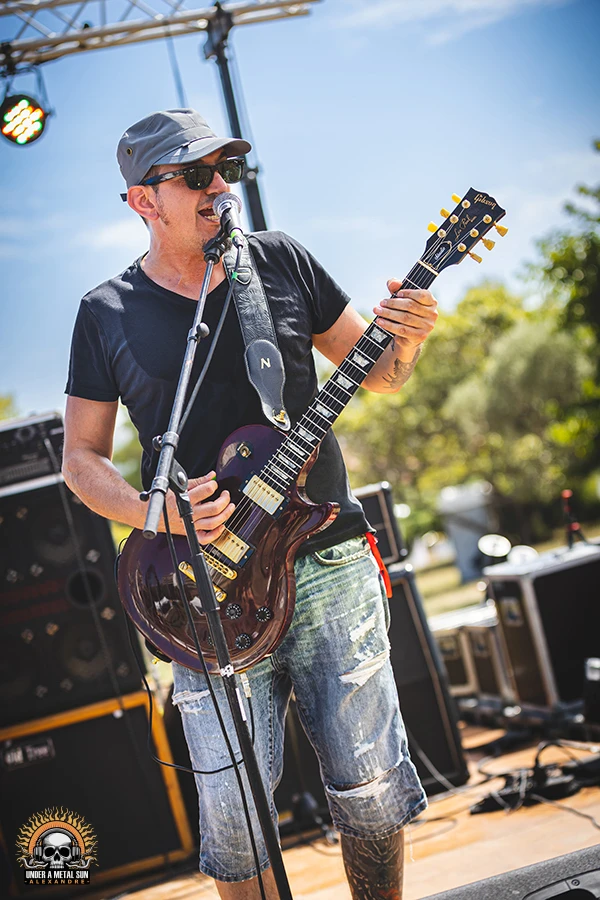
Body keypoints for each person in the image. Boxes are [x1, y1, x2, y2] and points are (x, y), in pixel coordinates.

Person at [63, 109, 439, 899]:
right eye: (195, 175)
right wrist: (158, 513)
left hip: (327, 558)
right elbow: (81, 462)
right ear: (143, 200)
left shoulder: (280, 261)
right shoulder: (106, 313)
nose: (218, 187)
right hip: (202, 584)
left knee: (370, 785)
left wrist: (406, 337)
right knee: (237, 819)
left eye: (224, 170)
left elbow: (380, 373)